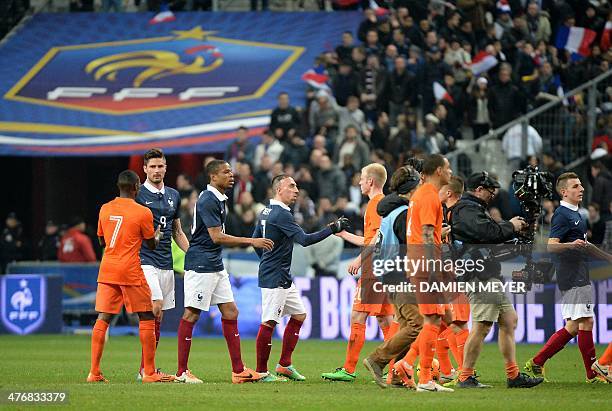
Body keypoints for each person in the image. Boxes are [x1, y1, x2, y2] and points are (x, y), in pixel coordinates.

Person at [176, 160, 273, 384]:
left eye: (231, 171)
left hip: (214, 263)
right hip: (201, 264)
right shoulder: (208, 199)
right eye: (226, 172)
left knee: (231, 312)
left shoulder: (219, 199)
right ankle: (182, 372)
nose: (231, 175)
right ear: (213, 177)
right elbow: (216, 236)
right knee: (191, 314)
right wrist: (251, 241)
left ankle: (238, 370)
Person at [450, 171, 543, 389]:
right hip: (478, 274)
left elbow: (489, 242)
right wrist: (511, 226)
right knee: (481, 326)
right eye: (490, 190)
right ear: (479, 189)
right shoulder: (466, 209)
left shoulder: (473, 209)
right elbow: (487, 232)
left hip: (487, 272)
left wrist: (518, 238)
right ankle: (465, 376)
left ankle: (513, 375)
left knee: (509, 320)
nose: (493, 195)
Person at [252, 175, 349, 382]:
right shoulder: (281, 214)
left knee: (299, 315)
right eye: (292, 186)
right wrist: (332, 228)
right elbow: (304, 240)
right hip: (275, 276)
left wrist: (267, 260)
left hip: (280, 274)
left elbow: (255, 241)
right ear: (279, 189)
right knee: (269, 322)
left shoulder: (265, 212)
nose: (296, 190)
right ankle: (261, 372)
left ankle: (284, 365)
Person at [88, 170, 172, 383]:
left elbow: (101, 241)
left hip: (107, 269)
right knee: (146, 317)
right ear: (136, 187)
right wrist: (158, 235)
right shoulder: (142, 212)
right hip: (131, 270)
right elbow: (151, 245)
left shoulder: (104, 209)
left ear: (119, 186)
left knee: (103, 317)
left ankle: (94, 372)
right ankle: (150, 373)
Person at [525, 173, 608, 383]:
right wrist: (571, 245)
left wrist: (608, 257)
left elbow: (585, 246)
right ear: (564, 191)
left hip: (575, 273)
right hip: (573, 275)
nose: (581, 189)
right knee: (586, 321)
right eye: (575, 186)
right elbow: (551, 245)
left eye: (581, 185)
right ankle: (592, 373)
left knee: (574, 325)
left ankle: (538, 361)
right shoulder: (562, 215)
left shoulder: (577, 214)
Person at [321, 163, 394, 382]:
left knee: (358, 315)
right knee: (385, 320)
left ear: (371, 181)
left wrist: (359, 259)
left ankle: (349, 369)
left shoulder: (375, 204)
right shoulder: (383, 204)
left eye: (362, 178)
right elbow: (369, 239)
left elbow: (375, 240)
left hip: (374, 268)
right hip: (386, 268)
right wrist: (344, 235)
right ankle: (397, 368)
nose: (360, 182)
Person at [361, 165, 423, 389]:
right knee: (418, 324)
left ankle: (396, 374)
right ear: (412, 188)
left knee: (407, 325)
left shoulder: (389, 211)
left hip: (389, 273)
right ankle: (377, 360)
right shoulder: (404, 214)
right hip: (400, 274)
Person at [399, 154, 454, 393]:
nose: (451, 172)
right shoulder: (430, 195)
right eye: (448, 168)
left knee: (435, 318)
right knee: (433, 319)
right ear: (439, 170)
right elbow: (427, 233)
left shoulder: (419, 194)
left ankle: (410, 366)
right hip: (425, 264)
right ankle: (422, 377)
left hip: (417, 262)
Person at [135, 148, 190, 379]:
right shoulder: (137, 196)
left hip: (166, 263)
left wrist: (193, 254)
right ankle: (146, 370)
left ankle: (146, 368)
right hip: (145, 260)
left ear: (166, 168)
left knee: (159, 316)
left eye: (160, 166)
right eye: (153, 167)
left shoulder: (174, 195)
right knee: (155, 306)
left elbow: (177, 231)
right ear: (145, 169)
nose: (157, 170)